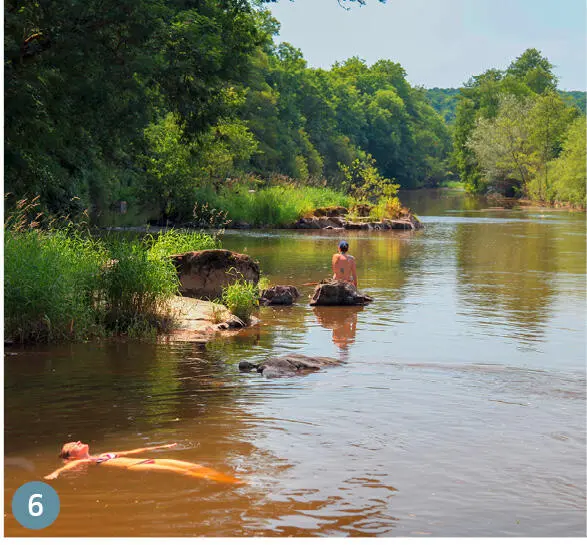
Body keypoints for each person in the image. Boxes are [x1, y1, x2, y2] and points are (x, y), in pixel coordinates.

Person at [43, 441, 241, 484]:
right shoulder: (82, 462)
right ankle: (230, 481)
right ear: (71, 456)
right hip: (137, 466)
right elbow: (68, 466)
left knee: (190, 466)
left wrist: (162, 446)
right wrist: (55, 473)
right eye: (73, 445)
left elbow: (132, 451)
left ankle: (224, 477)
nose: (78, 442)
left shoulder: (105, 453)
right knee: (183, 472)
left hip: (147, 459)